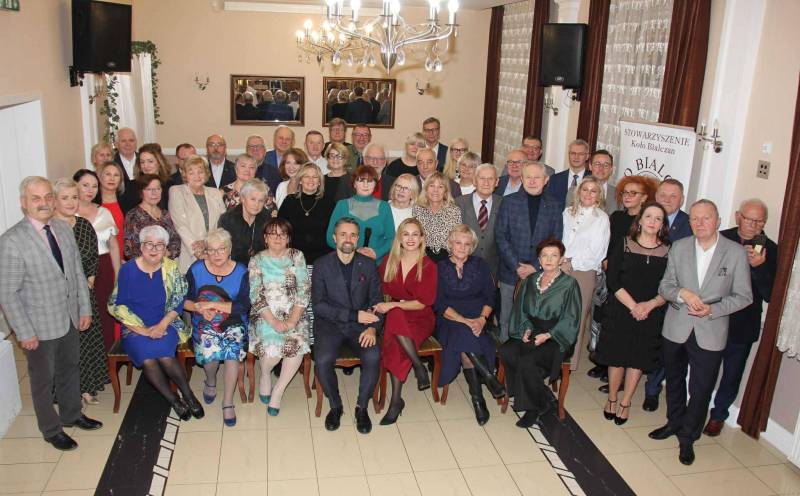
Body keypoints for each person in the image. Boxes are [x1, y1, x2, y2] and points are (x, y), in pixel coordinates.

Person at [0, 177, 102, 451]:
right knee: (43, 381)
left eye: (47, 197)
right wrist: (24, 332)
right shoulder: (12, 240)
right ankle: (51, 429)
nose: (44, 203)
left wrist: (83, 308)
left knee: (70, 368)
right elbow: (7, 293)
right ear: (24, 203)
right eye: (36, 198)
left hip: (69, 317)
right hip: (38, 326)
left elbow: (77, 272)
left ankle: (72, 414)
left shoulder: (62, 228)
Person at [648, 200, 752, 466]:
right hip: (676, 327)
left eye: (706, 218)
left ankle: (688, 437)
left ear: (718, 220)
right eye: (694, 218)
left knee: (701, 387)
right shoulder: (680, 247)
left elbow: (744, 296)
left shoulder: (735, 253)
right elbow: (665, 286)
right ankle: (674, 422)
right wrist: (682, 293)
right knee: (673, 380)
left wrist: (712, 309)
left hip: (711, 330)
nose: (700, 223)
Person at [108, 225, 205, 421]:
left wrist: (162, 325)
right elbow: (118, 306)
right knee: (148, 360)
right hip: (134, 327)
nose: (154, 249)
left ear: (165, 248)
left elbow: (179, 300)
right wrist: (143, 331)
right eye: (149, 244)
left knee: (165, 356)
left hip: (166, 322)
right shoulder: (127, 270)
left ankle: (189, 395)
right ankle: (173, 400)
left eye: (159, 245)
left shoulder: (171, 268)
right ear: (141, 246)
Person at [703, 199, 777, 436]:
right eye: (749, 219)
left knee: (732, 373)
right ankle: (696, 408)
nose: (754, 225)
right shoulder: (720, 238)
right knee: (705, 368)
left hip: (743, 323)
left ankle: (718, 415)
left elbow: (770, 294)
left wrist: (758, 267)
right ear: (738, 217)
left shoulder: (770, 249)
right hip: (713, 317)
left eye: (760, 221)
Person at [595, 203, 670, 425]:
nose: (652, 222)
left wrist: (648, 306)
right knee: (617, 357)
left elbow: (670, 285)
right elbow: (613, 279)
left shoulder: (669, 250)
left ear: (662, 224)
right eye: (649, 216)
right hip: (621, 309)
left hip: (650, 313)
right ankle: (612, 398)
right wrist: (634, 306)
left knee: (637, 359)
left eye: (658, 218)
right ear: (640, 220)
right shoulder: (625, 243)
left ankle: (626, 402)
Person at [500, 239, 582, 427]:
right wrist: (526, 328)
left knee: (528, 360)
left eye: (554, 255)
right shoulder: (531, 280)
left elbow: (571, 318)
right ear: (539, 259)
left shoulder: (569, 284)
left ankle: (534, 407)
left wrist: (548, 335)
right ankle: (539, 394)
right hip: (532, 328)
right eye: (544, 255)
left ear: (561, 259)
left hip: (557, 336)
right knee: (507, 351)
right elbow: (521, 309)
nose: (549, 259)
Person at [313, 218, 384, 433]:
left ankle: (362, 408)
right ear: (334, 238)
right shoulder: (321, 265)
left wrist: (373, 328)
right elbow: (319, 306)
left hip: (362, 326)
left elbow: (377, 301)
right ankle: (336, 406)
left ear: (358, 239)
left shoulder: (368, 264)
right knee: (322, 360)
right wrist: (354, 315)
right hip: (330, 324)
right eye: (343, 234)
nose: (348, 239)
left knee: (373, 356)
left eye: (353, 235)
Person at [589, 175, 658, 387]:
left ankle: (620, 375)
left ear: (644, 197)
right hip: (609, 275)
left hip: (630, 281)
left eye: (633, 193)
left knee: (624, 328)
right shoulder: (617, 217)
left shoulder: (645, 221)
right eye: (625, 193)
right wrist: (605, 259)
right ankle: (603, 362)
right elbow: (607, 242)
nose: (627, 197)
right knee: (603, 320)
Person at [435, 225, 504, 425]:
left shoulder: (480, 265)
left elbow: (490, 296)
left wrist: (482, 319)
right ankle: (488, 381)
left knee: (466, 341)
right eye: (458, 242)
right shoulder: (439, 267)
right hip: (449, 320)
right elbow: (439, 304)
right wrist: (464, 320)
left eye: (467, 244)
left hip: (478, 319)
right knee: (464, 333)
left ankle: (478, 398)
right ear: (450, 244)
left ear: (472, 247)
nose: (462, 247)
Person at [373, 218, 438, 425]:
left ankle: (397, 401)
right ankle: (414, 372)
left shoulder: (428, 266)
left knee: (395, 314)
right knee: (395, 324)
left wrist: (393, 305)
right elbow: (378, 290)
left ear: (422, 238)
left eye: (415, 234)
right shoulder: (389, 261)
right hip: (395, 319)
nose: (410, 239)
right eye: (406, 234)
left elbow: (423, 303)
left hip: (420, 317)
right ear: (399, 238)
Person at [52, 178, 110, 406]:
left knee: (86, 342)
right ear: (54, 200)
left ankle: (86, 387)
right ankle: (67, 390)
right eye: (65, 198)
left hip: (85, 293)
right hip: (58, 297)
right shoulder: (49, 228)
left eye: (74, 197)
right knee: (65, 345)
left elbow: (93, 256)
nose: (70, 202)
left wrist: (90, 281)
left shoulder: (84, 225)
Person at [184, 228, 250, 427]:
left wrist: (213, 305)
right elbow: (184, 300)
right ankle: (211, 379)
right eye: (211, 250)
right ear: (206, 251)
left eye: (221, 249)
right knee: (209, 349)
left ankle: (228, 401)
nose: (216, 254)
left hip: (234, 321)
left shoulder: (241, 271)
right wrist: (198, 308)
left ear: (229, 249)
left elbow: (243, 306)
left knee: (231, 350)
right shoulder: (196, 269)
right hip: (204, 320)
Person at [248, 218, 311, 416]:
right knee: (272, 354)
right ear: (265, 238)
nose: (278, 238)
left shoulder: (297, 256)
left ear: (288, 238)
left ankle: (278, 391)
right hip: (265, 314)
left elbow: (304, 290)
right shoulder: (256, 260)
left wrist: (292, 320)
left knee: (296, 346)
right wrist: (274, 321)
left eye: (283, 234)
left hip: (295, 313)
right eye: (273, 234)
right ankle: (265, 374)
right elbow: (256, 295)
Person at [495, 162, 563, 342]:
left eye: (537, 177)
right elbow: (501, 236)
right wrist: (517, 266)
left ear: (546, 180)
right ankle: (505, 355)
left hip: (540, 273)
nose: (532, 181)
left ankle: (527, 355)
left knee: (534, 319)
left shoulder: (554, 205)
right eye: (528, 177)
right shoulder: (508, 202)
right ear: (522, 179)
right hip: (511, 271)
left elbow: (556, 240)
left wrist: (535, 266)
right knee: (507, 318)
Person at [641, 178, 693, 411]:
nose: (667, 200)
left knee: (662, 346)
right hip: (642, 288)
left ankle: (652, 390)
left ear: (681, 199)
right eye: (663, 195)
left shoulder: (689, 225)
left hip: (670, 296)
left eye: (673, 196)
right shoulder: (645, 217)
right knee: (639, 338)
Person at [560, 177, 610, 371]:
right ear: (578, 192)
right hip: (560, 268)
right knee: (558, 316)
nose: (588, 193)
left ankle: (569, 364)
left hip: (584, 272)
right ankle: (552, 359)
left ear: (599, 195)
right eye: (585, 189)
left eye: (593, 191)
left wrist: (570, 262)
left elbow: (598, 252)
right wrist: (560, 260)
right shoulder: (567, 212)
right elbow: (560, 239)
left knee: (577, 319)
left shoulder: (601, 218)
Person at [74, 168, 121, 352]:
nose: (90, 190)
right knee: (82, 313)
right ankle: (86, 359)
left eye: (94, 186)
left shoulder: (104, 212)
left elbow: (114, 246)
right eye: (85, 185)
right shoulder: (67, 213)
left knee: (104, 313)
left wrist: (117, 274)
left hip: (104, 266)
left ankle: (107, 357)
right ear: (75, 186)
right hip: (78, 268)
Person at [169, 156, 227, 272]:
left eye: (200, 172)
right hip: (189, 252)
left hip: (214, 251)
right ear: (185, 175)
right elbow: (180, 225)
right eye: (191, 173)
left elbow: (223, 222)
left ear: (206, 174)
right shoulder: (176, 191)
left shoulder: (215, 192)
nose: (197, 176)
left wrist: (208, 243)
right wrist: (197, 250)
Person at [326, 165, 395, 262]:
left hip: (376, 263)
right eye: (361, 181)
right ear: (354, 184)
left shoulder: (384, 207)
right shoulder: (342, 205)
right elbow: (330, 237)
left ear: (375, 184)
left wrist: (377, 253)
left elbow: (392, 238)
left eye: (370, 181)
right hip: (346, 261)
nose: (365, 185)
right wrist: (351, 252)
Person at [278, 163, 336, 265]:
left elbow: (334, 231)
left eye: (315, 177)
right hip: (293, 258)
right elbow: (280, 229)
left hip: (322, 258)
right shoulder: (289, 201)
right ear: (300, 180)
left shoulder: (329, 202)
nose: (311, 180)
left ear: (319, 182)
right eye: (306, 176)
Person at [456, 163, 503, 278]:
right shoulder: (459, 203)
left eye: (490, 179)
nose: (486, 183)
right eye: (482, 178)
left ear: (497, 182)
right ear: (474, 181)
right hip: (463, 267)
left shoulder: (504, 204)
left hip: (493, 271)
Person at [123, 174, 181, 261]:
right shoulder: (133, 215)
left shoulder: (165, 214)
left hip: (167, 263)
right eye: (149, 189)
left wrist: (168, 253)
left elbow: (175, 240)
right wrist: (154, 258)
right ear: (141, 192)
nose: (154, 193)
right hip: (144, 265)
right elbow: (130, 249)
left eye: (158, 189)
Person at [219, 179, 273, 265]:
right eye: (253, 199)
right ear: (243, 199)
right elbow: (222, 250)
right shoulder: (227, 219)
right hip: (234, 267)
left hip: (260, 266)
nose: (256, 204)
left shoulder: (266, 217)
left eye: (261, 201)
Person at [413, 172, 463, 262]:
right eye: (432, 186)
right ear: (426, 189)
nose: (435, 190)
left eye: (440, 187)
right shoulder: (417, 209)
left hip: (448, 259)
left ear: (445, 192)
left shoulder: (454, 211)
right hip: (422, 258)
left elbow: (457, 238)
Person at [547, 139, 592, 210]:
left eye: (580, 154)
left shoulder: (592, 179)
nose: (576, 157)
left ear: (587, 157)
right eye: (573, 153)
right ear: (569, 155)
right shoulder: (555, 179)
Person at [97, 161, 127, 256]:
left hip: (123, 256)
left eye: (116, 175)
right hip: (102, 256)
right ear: (100, 177)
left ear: (120, 180)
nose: (112, 178)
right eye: (108, 174)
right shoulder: (94, 202)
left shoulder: (127, 201)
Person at [135, 144, 174, 210]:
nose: (146, 166)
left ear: (159, 162)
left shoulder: (170, 185)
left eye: (150, 161)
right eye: (142, 162)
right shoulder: (133, 185)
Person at [113, 127, 139, 211]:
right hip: (120, 210)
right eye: (123, 141)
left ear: (136, 143)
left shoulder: (145, 161)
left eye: (131, 140)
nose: (128, 144)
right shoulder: (111, 164)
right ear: (116, 144)